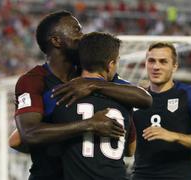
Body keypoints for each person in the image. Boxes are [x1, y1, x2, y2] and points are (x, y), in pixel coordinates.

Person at [12, 11, 151, 180]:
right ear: (56, 40)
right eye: (76, 30)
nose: (82, 35)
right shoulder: (33, 81)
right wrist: (88, 125)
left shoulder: (89, 73)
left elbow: (143, 98)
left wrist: (94, 84)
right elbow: (29, 133)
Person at [53, 32, 135, 180]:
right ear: (110, 65)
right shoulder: (125, 99)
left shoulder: (60, 96)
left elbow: (18, 141)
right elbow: (131, 150)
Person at [132, 42, 191, 180]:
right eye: (151, 61)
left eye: (163, 62)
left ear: (174, 66)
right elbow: (129, 150)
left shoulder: (190, 94)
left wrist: (173, 136)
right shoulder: (136, 97)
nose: (156, 66)